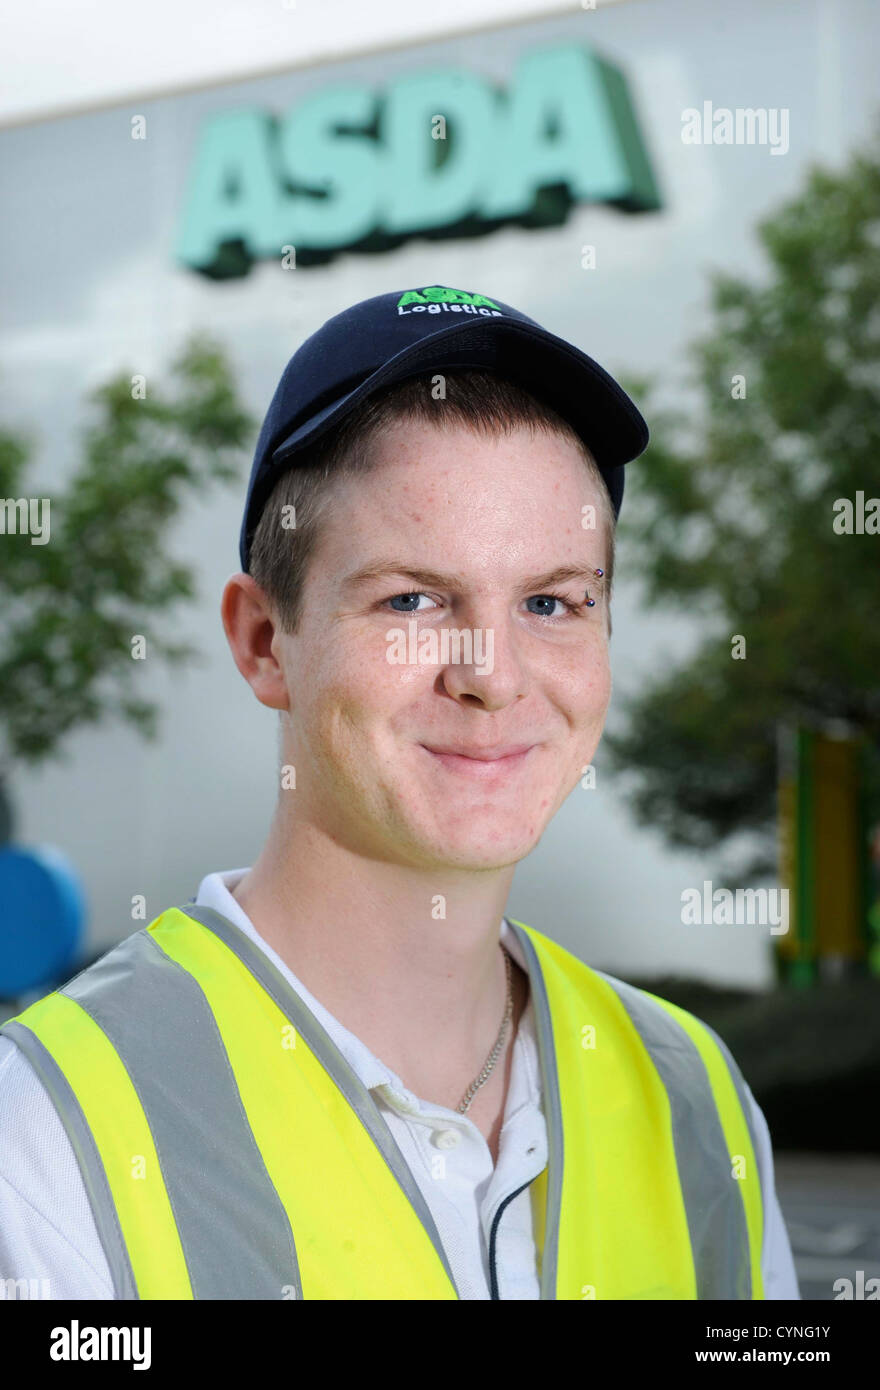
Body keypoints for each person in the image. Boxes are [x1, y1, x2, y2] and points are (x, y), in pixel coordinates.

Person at [0, 284, 800, 1300]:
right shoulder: (46, 1132)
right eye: (412, 598)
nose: (492, 673)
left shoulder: (697, 1099)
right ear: (264, 642)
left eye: (552, 601)